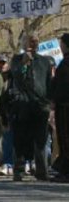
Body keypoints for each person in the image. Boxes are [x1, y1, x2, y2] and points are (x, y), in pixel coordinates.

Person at [8, 34, 54, 181]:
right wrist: (24, 64)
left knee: (41, 140)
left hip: (40, 106)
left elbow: (48, 83)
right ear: (24, 44)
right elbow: (16, 78)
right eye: (30, 41)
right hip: (22, 105)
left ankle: (42, 172)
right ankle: (19, 171)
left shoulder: (44, 61)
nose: (33, 44)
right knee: (20, 139)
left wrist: (49, 103)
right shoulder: (16, 60)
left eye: (36, 42)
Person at [51, 33, 69, 181]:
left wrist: (55, 99)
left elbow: (62, 86)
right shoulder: (64, 62)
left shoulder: (66, 63)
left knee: (65, 137)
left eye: (61, 44)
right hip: (62, 104)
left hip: (65, 106)